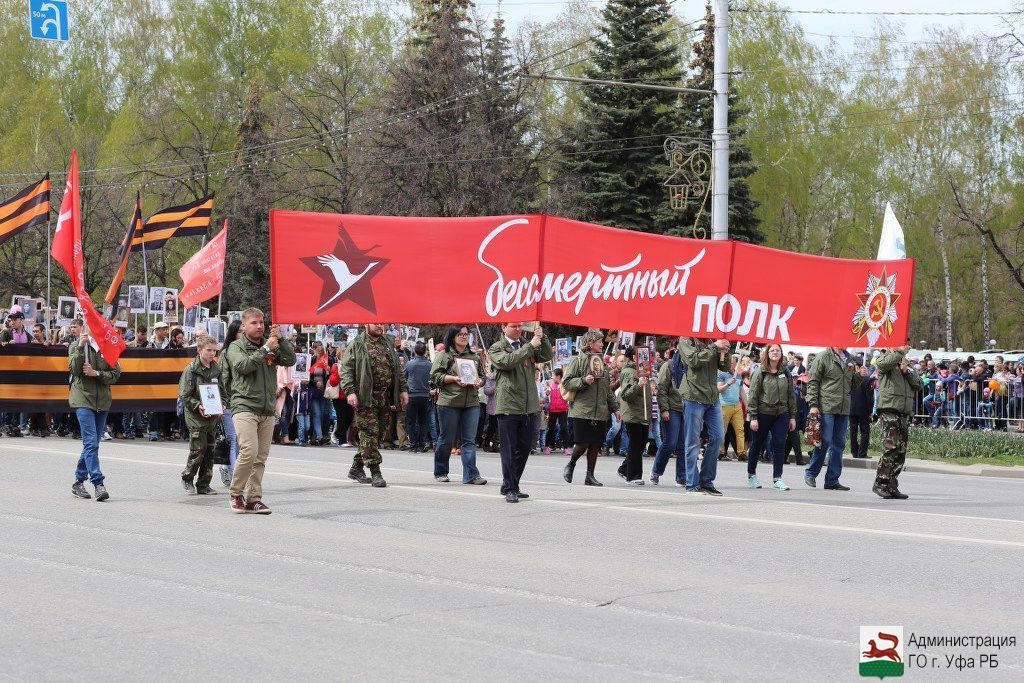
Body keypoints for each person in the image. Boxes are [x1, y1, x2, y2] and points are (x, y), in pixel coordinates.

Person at [225, 308, 295, 514]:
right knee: (249, 451)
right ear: (244, 326)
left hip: (266, 408)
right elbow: (243, 367)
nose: (259, 326)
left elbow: (290, 360)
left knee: (260, 457)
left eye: (262, 322)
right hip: (244, 405)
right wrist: (265, 348)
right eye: (254, 323)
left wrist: (281, 341)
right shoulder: (236, 347)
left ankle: (253, 498)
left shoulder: (271, 344)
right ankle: (236, 493)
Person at [488, 322, 553, 503]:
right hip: (508, 405)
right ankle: (510, 487)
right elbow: (507, 362)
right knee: (509, 449)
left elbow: (546, 355)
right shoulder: (497, 347)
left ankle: (511, 484)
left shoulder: (528, 342)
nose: (518, 329)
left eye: (520, 326)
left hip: (529, 405)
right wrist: (530, 345)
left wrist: (542, 337)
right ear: (503, 327)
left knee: (524, 449)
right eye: (513, 326)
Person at [341, 323, 409, 488]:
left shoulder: (386, 342)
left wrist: (403, 389)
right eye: (376, 323)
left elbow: (397, 369)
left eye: (381, 322)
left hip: (385, 396)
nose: (380, 325)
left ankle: (356, 468)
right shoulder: (357, 344)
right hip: (366, 396)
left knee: (376, 435)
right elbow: (346, 369)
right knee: (370, 433)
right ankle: (375, 471)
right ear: (366, 324)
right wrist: (350, 391)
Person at [430, 325, 487, 485]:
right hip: (449, 402)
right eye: (460, 334)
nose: (463, 337)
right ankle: (440, 471)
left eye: (466, 334)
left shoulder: (474, 356)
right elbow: (435, 376)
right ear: (452, 336)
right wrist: (453, 379)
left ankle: (471, 475)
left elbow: (482, 376)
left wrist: (479, 382)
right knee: (446, 438)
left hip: (472, 403)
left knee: (469, 440)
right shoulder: (444, 355)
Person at [561, 330, 618, 486]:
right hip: (582, 410)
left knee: (595, 444)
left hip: (600, 411)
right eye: (599, 341)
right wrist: (583, 380)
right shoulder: (578, 360)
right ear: (590, 343)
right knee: (583, 442)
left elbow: (607, 391)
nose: (602, 344)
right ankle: (571, 464)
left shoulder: (603, 365)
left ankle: (590, 476)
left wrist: (615, 409)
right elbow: (566, 382)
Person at [69, 330, 121, 502]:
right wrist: (80, 346)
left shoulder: (109, 347)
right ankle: (98, 483)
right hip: (83, 399)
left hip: (103, 402)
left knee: (93, 444)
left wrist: (96, 373)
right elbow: (75, 371)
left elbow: (115, 375)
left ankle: (78, 481)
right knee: (91, 442)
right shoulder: (77, 345)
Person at [679, 337, 732, 495]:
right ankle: (692, 484)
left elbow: (723, 366)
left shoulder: (711, 339)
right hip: (693, 396)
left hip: (712, 397)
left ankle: (706, 481)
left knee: (718, 437)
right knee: (693, 442)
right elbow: (693, 361)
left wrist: (725, 351)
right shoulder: (686, 339)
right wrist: (714, 346)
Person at [804, 346, 859, 491]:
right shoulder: (823, 357)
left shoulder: (850, 360)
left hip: (843, 407)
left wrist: (860, 376)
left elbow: (851, 385)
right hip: (826, 405)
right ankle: (811, 472)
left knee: (839, 444)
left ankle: (832, 480)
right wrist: (813, 404)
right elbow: (813, 381)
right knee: (825, 440)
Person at [872, 345, 923, 499]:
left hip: (902, 412)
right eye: (902, 345)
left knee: (900, 451)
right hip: (889, 408)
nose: (906, 347)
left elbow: (918, 384)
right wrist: (898, 353)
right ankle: (881, 483)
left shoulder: (906, 364)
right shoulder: (885, 358)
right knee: (891, 447)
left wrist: (906, 371)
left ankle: (891, 485)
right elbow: (881, 365)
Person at [746, 344, 796, 491]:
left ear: (781, 354)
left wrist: (792, 416)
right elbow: (753, 395)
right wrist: (753, 417)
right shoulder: (759, 372)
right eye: (772, 350)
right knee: (757, 444)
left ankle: (777, 478)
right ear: (767, 353)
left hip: (781, 413)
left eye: (778, 350)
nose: (775, 352)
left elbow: (790, 395)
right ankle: (751, 475)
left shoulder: (785, 371)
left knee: (780, 443)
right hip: (762, 413)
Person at [178, 335, 222, 495]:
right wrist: (198, 406)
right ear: (199, 350)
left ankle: (204, 484)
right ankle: (187, 477)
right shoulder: (191, 370)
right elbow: (185, 395)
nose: (212, 353)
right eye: (208, 350)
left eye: (214, 351)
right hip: (196, 416)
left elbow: (222, 391)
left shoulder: (216, 369)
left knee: (210, 451)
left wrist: (222, 403)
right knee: (198, 449)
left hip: (213, 416)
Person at [616, 347, 651, 485]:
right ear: (633, 357)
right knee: (636, 444)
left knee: (641, 444)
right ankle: (633, 475)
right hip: (633, 413)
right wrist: (638, 385)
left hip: (643, 413)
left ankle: (624, 469)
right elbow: (626, 395)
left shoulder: (644, 372)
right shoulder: (628, 372)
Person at [651, 347, 686, 486]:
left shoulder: (692, 366)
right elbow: (662, 389)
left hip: (687, 410)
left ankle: (681, 477)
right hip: (672, 408)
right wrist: (664, 409)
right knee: (670, 443)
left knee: (683, 445)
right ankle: (656, 472)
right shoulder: (669, 366)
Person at [405, 341, 433, 453]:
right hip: (425, 395)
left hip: (412, 394)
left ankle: (413, 445)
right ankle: (423, 443)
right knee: (423, 420)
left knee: (411, 421)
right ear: (425, 351)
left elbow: (403, 377)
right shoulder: (430, 365)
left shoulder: (410, 364)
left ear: (414, 351)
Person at [718, 355, 746, 461]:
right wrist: (728, 383)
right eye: (729, 363)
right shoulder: (722, 374)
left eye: (733, 363)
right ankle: (720, 452)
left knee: (740, 430)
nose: (731, 365)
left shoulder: (738, 376)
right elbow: (719, 389)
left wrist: (746, 405)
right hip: (724, 405)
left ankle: (742, 453)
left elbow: (741, 391)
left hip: (737, 406)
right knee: (722, 430)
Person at [849, 363, 874, 458]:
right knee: (865, 431)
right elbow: (869, 398)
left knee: (853, 431)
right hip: (863, 409)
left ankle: (854, 452)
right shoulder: (868, 380)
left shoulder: (852, 379)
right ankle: (862, 452)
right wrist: (870, 411)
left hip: (852, 408)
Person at [545, 368, 571, 454]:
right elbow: (547, 392)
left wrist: (563, 387)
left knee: (564, 428)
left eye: (553, 375)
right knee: (551, 429)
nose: (552, 377)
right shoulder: (551, 385)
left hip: (563, 410)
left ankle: (566, 447)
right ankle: (547, 446)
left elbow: (568, 394)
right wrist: (548, 391)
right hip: (552, 410)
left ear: (558, 376)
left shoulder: (564, 384)